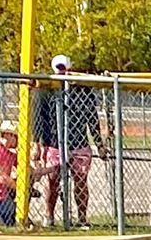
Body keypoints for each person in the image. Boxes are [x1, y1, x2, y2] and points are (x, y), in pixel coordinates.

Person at [35, 53, 106, 226]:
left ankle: (82, 218)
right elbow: (38, 119)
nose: (62, 73)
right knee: (52, 180)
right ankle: (49, 217)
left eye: (64, 69)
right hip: (54, 143)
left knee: (80, 181)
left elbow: (92, 119)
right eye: (59, 70)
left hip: (79, 142)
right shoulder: (45, 90)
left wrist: (99, 144)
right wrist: (38, 145)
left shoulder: (83, 90)